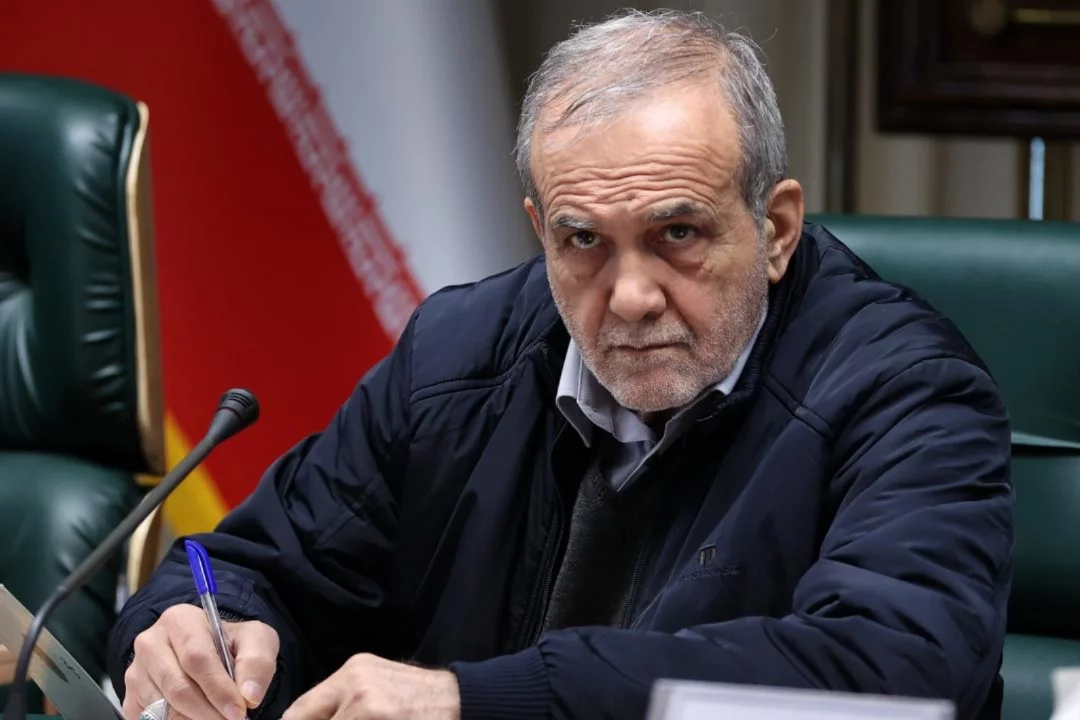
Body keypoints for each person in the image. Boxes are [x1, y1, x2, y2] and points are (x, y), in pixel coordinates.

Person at [107, 9, 1013, 720]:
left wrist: (478, 699)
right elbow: (246, 566)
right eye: (584, 241)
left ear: (774, 231)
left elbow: (892, 672)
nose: (630, 296)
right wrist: (186, 632)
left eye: (678, 233)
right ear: (541, 231)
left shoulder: (908, 393)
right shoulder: (457, 356)